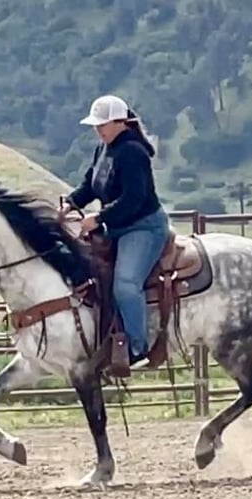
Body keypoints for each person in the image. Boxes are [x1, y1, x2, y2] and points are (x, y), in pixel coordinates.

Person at [61, 94, 170, 367]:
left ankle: (137, 347)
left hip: (143, 227)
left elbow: (135, 198)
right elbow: (90, 184)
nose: (99, 130)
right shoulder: (104, 148)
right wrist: (71, 203)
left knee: (125, 284)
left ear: (121, 122)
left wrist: (98, 218)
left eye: (103, 124)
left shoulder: (133, 152)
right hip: (118, 226)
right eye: (97, 125)